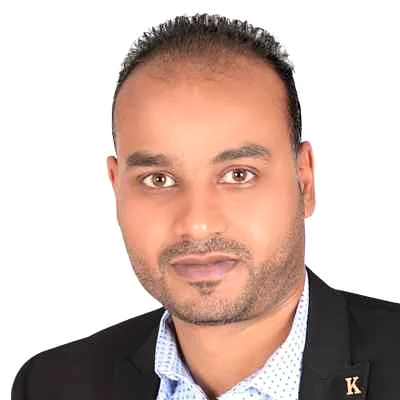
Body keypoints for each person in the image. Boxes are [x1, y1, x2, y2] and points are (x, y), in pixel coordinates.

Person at [11, 12, 400, 400]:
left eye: (238, 175)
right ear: (117, 189)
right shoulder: (50, 386)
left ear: (304, 181)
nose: (197, 224)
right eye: (158, 179)